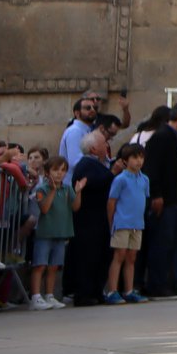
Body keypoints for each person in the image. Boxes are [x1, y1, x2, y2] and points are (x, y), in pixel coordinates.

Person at [141, 103, 177, 299]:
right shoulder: (163, 137)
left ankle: (169, 283)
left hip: (176, 199)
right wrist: (156, 194)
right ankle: (157, 285)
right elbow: (152, 168)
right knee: (162, 243)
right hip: (165, 200)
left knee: (172, 242)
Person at [65, 130, 115, 306]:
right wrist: (113, 173)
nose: (106, 146)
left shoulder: (97, 164)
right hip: (88, 221)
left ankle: (96, 291)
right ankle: (84, 293)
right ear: (94, 149)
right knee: (88, 258)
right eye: (103, 143)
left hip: (98, 219)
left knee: (100, 256)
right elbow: (92, 182)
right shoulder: (86, 164)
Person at [29, 156, 81, 309]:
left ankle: (50, 295)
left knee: (54, 266)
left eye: (63, 170)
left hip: (61, 232)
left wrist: (78, 192)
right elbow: (44, 208)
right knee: (40, 265)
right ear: (47, 172)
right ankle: (35, 296)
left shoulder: (67, 189)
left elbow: (76, 207)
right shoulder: (41, 189)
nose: (59, 173)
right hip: (45, 233)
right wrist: (52, 190)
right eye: (55, 170)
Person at [104, 144, 150, 304]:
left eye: (141, 157)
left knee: (132, 257)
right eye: (134, 158)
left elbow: (143, 199)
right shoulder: (120, 179)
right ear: (125, 160)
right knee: (119, 256)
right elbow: (111, 202)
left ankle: (129, 290)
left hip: (137, 224)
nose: (139, 161)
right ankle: (112, 291)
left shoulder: (144, 179)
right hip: (122, 223)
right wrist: (112, 222)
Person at [59, 94, 100, 170]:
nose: (92, 110)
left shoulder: (88, 130)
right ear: (77, 113)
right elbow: (76, 162)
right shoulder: (75, 131)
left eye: (95, 108)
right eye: (88, 108)